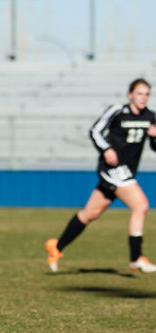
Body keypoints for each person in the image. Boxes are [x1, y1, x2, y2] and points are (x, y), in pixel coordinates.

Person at [46, 78, 156, 273]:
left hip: (127, 172)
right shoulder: (117, 111)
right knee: (141, 205)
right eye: (139, 93)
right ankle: (136, 258)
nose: (143, 97)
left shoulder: (150, 116)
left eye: (147, 93)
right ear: (130, 94)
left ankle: (56, 246)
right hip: (113, 169)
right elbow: (95, 130)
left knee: (90, 214)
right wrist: (106, 149)